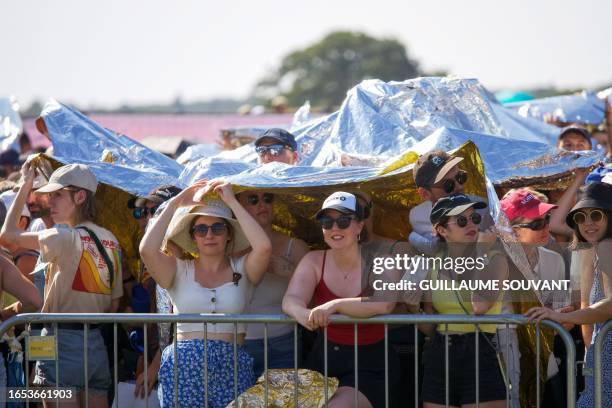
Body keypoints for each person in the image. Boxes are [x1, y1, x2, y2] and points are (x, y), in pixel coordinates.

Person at [0, 162, 123, 408]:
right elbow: (115, 301)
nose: (49, 201)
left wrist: (25, 183)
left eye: (58, 195)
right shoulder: (111, 240)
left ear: (79, 197)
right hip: (96, 344)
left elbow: (7, 237)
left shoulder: (62, 236)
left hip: (60, 342)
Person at [139, 179, 271, 408]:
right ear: (193, 237)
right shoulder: (178, 269)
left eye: (218, 228)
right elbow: (147, 249)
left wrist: (231, 201)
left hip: (232, 365)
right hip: (183, 365)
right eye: (201, 229)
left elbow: (264, 247)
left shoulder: (243, 267)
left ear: (229, 234)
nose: (209, 234)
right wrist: (177, 202)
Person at [283, 191, 400, 408]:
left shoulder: (382, 260)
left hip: (370, 362)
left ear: (359, 226)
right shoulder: (314, 260)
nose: (335, 228)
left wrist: (334, 306)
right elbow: (291, 300)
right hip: (324, 358)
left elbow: (384, 302)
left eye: (344, 221)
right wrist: (306, 316)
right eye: (327, 222)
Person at [526, 182, 612, 407]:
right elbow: (587, 307)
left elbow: (610, 305)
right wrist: (591, 357)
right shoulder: (591, 250)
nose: (588, 223)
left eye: (596, 214)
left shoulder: (607, 247)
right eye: (581, 217)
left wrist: (561, 317)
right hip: (601, 360)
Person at [421, 194, 508, 408]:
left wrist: (480, 252)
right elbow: (429, 327)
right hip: (440, 352)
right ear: (442, 230)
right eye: (461, 220)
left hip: (481, 349)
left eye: (474, 219)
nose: (471, 224)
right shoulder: (434, 265)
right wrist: (412, 306)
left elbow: (480, 306)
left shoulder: (494, 258)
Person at [498, 188, 570, 408]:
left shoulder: (555, 260)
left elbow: (564, 318)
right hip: (503, 367)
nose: (546, 228)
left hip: (544, 366)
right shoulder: (494, 262)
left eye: (547, 219)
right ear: (513, 230)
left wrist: (558, 315)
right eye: (537, 224)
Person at [236, 190, 309, 379]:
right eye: (253, 199)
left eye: (267, 198)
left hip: (283, 342)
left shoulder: (295, 246)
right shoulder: (227, 247)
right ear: (238, 207)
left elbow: (315, 295)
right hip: (241, 343)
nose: (262, 204)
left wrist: (288, 272)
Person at [126, 184, 181, 399]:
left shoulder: (181, 257)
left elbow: (175, 326)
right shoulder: (150, 257)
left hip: (174, 361)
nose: (145, 218)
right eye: (142, 212)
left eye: (154, 211)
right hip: (155, 356)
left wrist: (154, 367)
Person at [409, 150, 493, 255]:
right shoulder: (417, 217)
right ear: (425, 193)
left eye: (460, 177)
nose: (459, 186)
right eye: (447, 185)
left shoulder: (485, 210)